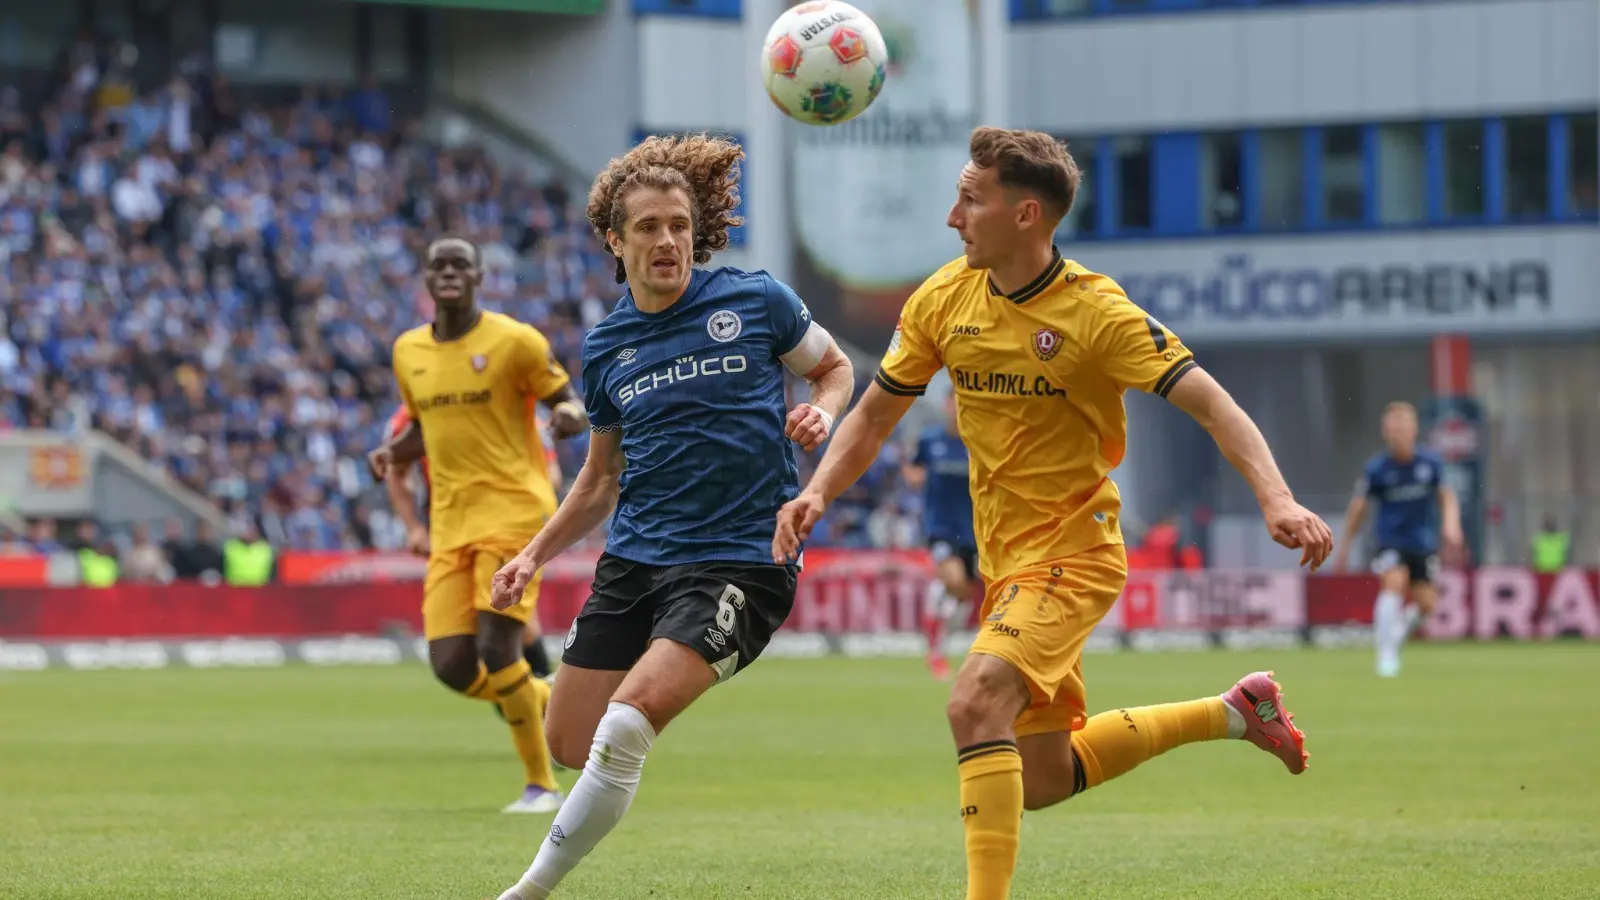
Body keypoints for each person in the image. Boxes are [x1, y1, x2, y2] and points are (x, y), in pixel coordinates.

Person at [772, 127, 1332, 900]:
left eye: (970, 199)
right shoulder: (943, 298)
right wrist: (816, 492)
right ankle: (1236, 713)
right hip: (1006, 564)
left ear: (1026, 214)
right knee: (1037, 777)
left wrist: (1276, 496)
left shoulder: (1097, 313)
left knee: (974, 701)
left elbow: (1211, 401)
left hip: (1077, 550)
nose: (952, 216)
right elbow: (871, 416)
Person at [486, 133, 854, 900]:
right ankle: (642, 714)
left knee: (622, 729)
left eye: (680, 225)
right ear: (615, 242)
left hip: (742, 561)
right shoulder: (607, 348)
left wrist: (821, 411)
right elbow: (597, 478)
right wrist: (532, 556)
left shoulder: (755, 300)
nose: (667, 241)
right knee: (568, 740)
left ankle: (524, 892)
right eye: (648, 227)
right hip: (637, 560)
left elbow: (835, 367)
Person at [367, 236, 586, 815]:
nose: (449, 273)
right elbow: (429, 423)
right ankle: (560, 700)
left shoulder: (514, 341)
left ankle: (541, 785)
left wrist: (565, 417)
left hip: (515, 511)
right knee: (451, 666)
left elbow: (569, 401)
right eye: (439, 265)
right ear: (426, 279)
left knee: (497, 646)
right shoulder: (407, 351)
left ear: (479, 275)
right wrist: (394, 452)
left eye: (460, 264)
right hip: (451, 523)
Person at [384, 402, 561, 684]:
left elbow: (550, 473)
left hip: (504, 522)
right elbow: (395, 469)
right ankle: (540, 700)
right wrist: (414, 527)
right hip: (449, 531)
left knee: (502, 623)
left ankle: (543, 704)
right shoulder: (413, 412)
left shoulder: (512, 406)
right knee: (483, 634)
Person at [1333, 401, 1462, 678]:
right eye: (1393, 427)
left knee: (1427, 604)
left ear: (1414, 429)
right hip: (1391, 540)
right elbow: (1359, 507)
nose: (1398, 432)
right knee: (1394, 581)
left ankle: (1397, 633)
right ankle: (1386, 654)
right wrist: (1344, 545)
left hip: (1423, 543)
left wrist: (1452, 526)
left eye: (1403, 426)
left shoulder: (1430, 463)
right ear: (1386, 432)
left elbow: (1447, 497)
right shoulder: (1377, 468)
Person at [902, 389, 979, 680]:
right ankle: (935, 648)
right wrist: (918, 478)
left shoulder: (977, 443)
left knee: (965, 593)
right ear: (947, 405)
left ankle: (938, 644)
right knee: (954, 580)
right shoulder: (930, 440)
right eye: (955, 403)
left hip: (974, 530)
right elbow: (912, 472)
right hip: (941, 527)